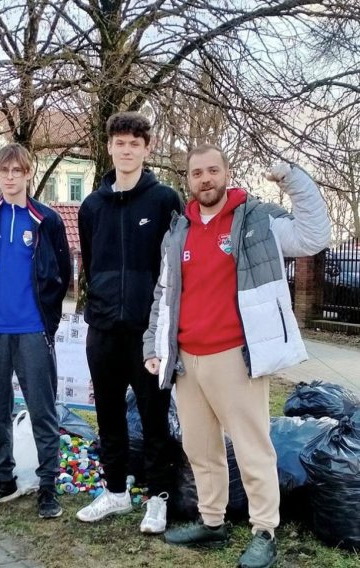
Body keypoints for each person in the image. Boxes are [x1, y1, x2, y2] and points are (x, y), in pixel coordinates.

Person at [143, 144, 331, 568]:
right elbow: (163, 294)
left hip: (236, 357)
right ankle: (212, 522)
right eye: (197, 173)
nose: (205, 179)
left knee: (252, 448)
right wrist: (152, 345)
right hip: (187, 361)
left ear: (226, 173)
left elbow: (314, 236)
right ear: (188, 180)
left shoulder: (257, 221)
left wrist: (293, 178)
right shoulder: (179, 231)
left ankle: (264, 531)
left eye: (213, 170)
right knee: (200, 448)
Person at [76, 112, 183, 534]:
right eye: (119, 143)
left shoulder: (164, 200)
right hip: (103, 330)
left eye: (134, 144)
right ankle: (116, 491)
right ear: (109, 147)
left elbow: (174, 265)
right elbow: (91, 263)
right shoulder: (91, 206)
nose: (126, 150)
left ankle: (158, 498)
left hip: (147, 333)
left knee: (154, 417)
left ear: (146, 148)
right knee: (108, 416)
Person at [0, 143, 70, 519]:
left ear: (29, 173)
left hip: (32, 331)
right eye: (4, 171)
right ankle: (3, 478)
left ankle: (48, 485)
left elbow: (62, 275)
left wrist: (48, 323)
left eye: (17, 171)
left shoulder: (47, 220)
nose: (10, 177)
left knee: (42, 411)